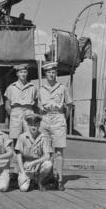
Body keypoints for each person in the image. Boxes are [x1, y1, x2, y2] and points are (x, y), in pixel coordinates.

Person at [38, 62, 73, 191]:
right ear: (45, 74)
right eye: (49, 72)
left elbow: (69, 105)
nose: (51, 75)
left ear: (56, 74)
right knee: (46, 151)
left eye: (53, 72)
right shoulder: (41, 89)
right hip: (45, 119)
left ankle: (59, 179)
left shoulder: (62, 88)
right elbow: (39, 106)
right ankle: (46, 177)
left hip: (58, 118)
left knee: (59, 151)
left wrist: (63, 118)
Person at [15, 114, 53, 192]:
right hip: (26, 167)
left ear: (39, 125)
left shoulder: (43, 137)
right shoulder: (22, 137)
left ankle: (39, 181)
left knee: (48, 164)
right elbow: (18, 156)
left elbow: (47, 156)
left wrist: (33, 163)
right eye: (31, 125)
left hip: (37, 165)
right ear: (28, 125)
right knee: (23, 189)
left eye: (35, 125)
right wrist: (22, 172)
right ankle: (29, 180)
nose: (33, 127)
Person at [4, 64, 37, 143]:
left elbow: (37, 104)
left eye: (25, 72)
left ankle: (27, 155)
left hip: (29, 112)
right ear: (17, 74)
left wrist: (32, 114)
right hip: (16, 112)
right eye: (21, 72)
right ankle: (15, 154)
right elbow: (7, 104)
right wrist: (12, 114)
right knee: (15, 137)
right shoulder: (11, 87)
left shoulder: (33, 88)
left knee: (29, 136)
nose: (23, 74)